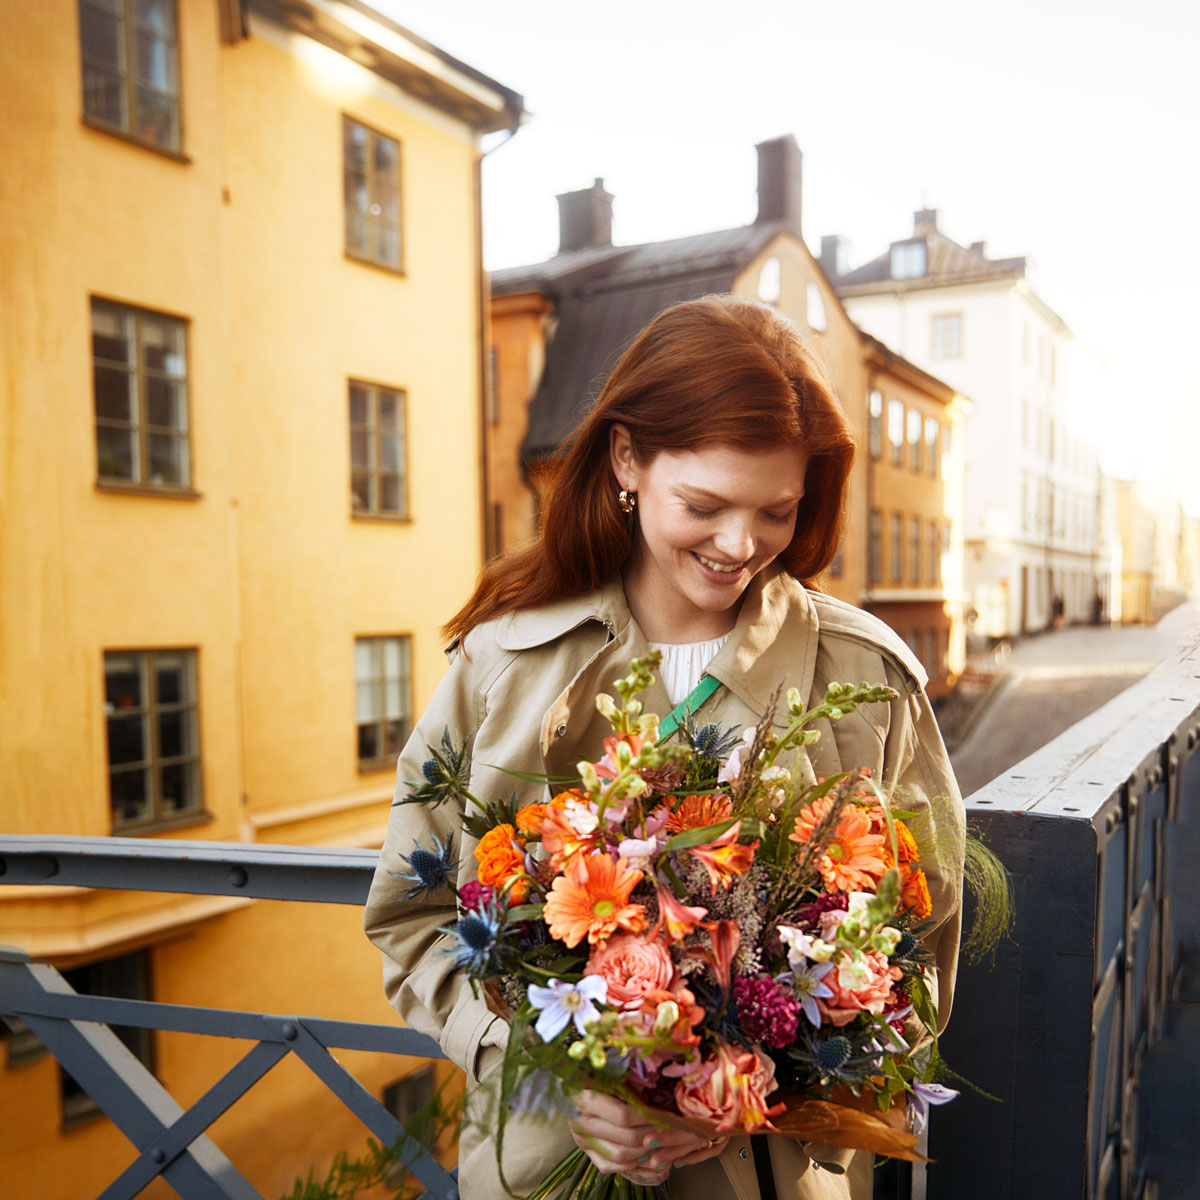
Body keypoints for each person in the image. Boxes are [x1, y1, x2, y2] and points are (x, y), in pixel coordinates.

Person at [363, 295, 966, 1200]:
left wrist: (760, 1093)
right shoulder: (502, 662)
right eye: (706, 504)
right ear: (627, 458)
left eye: (776, 512)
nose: (741, 545)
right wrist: (552, 1074)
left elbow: (924, 944)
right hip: (545, 1172)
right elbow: (414, 916)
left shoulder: (864, 676)